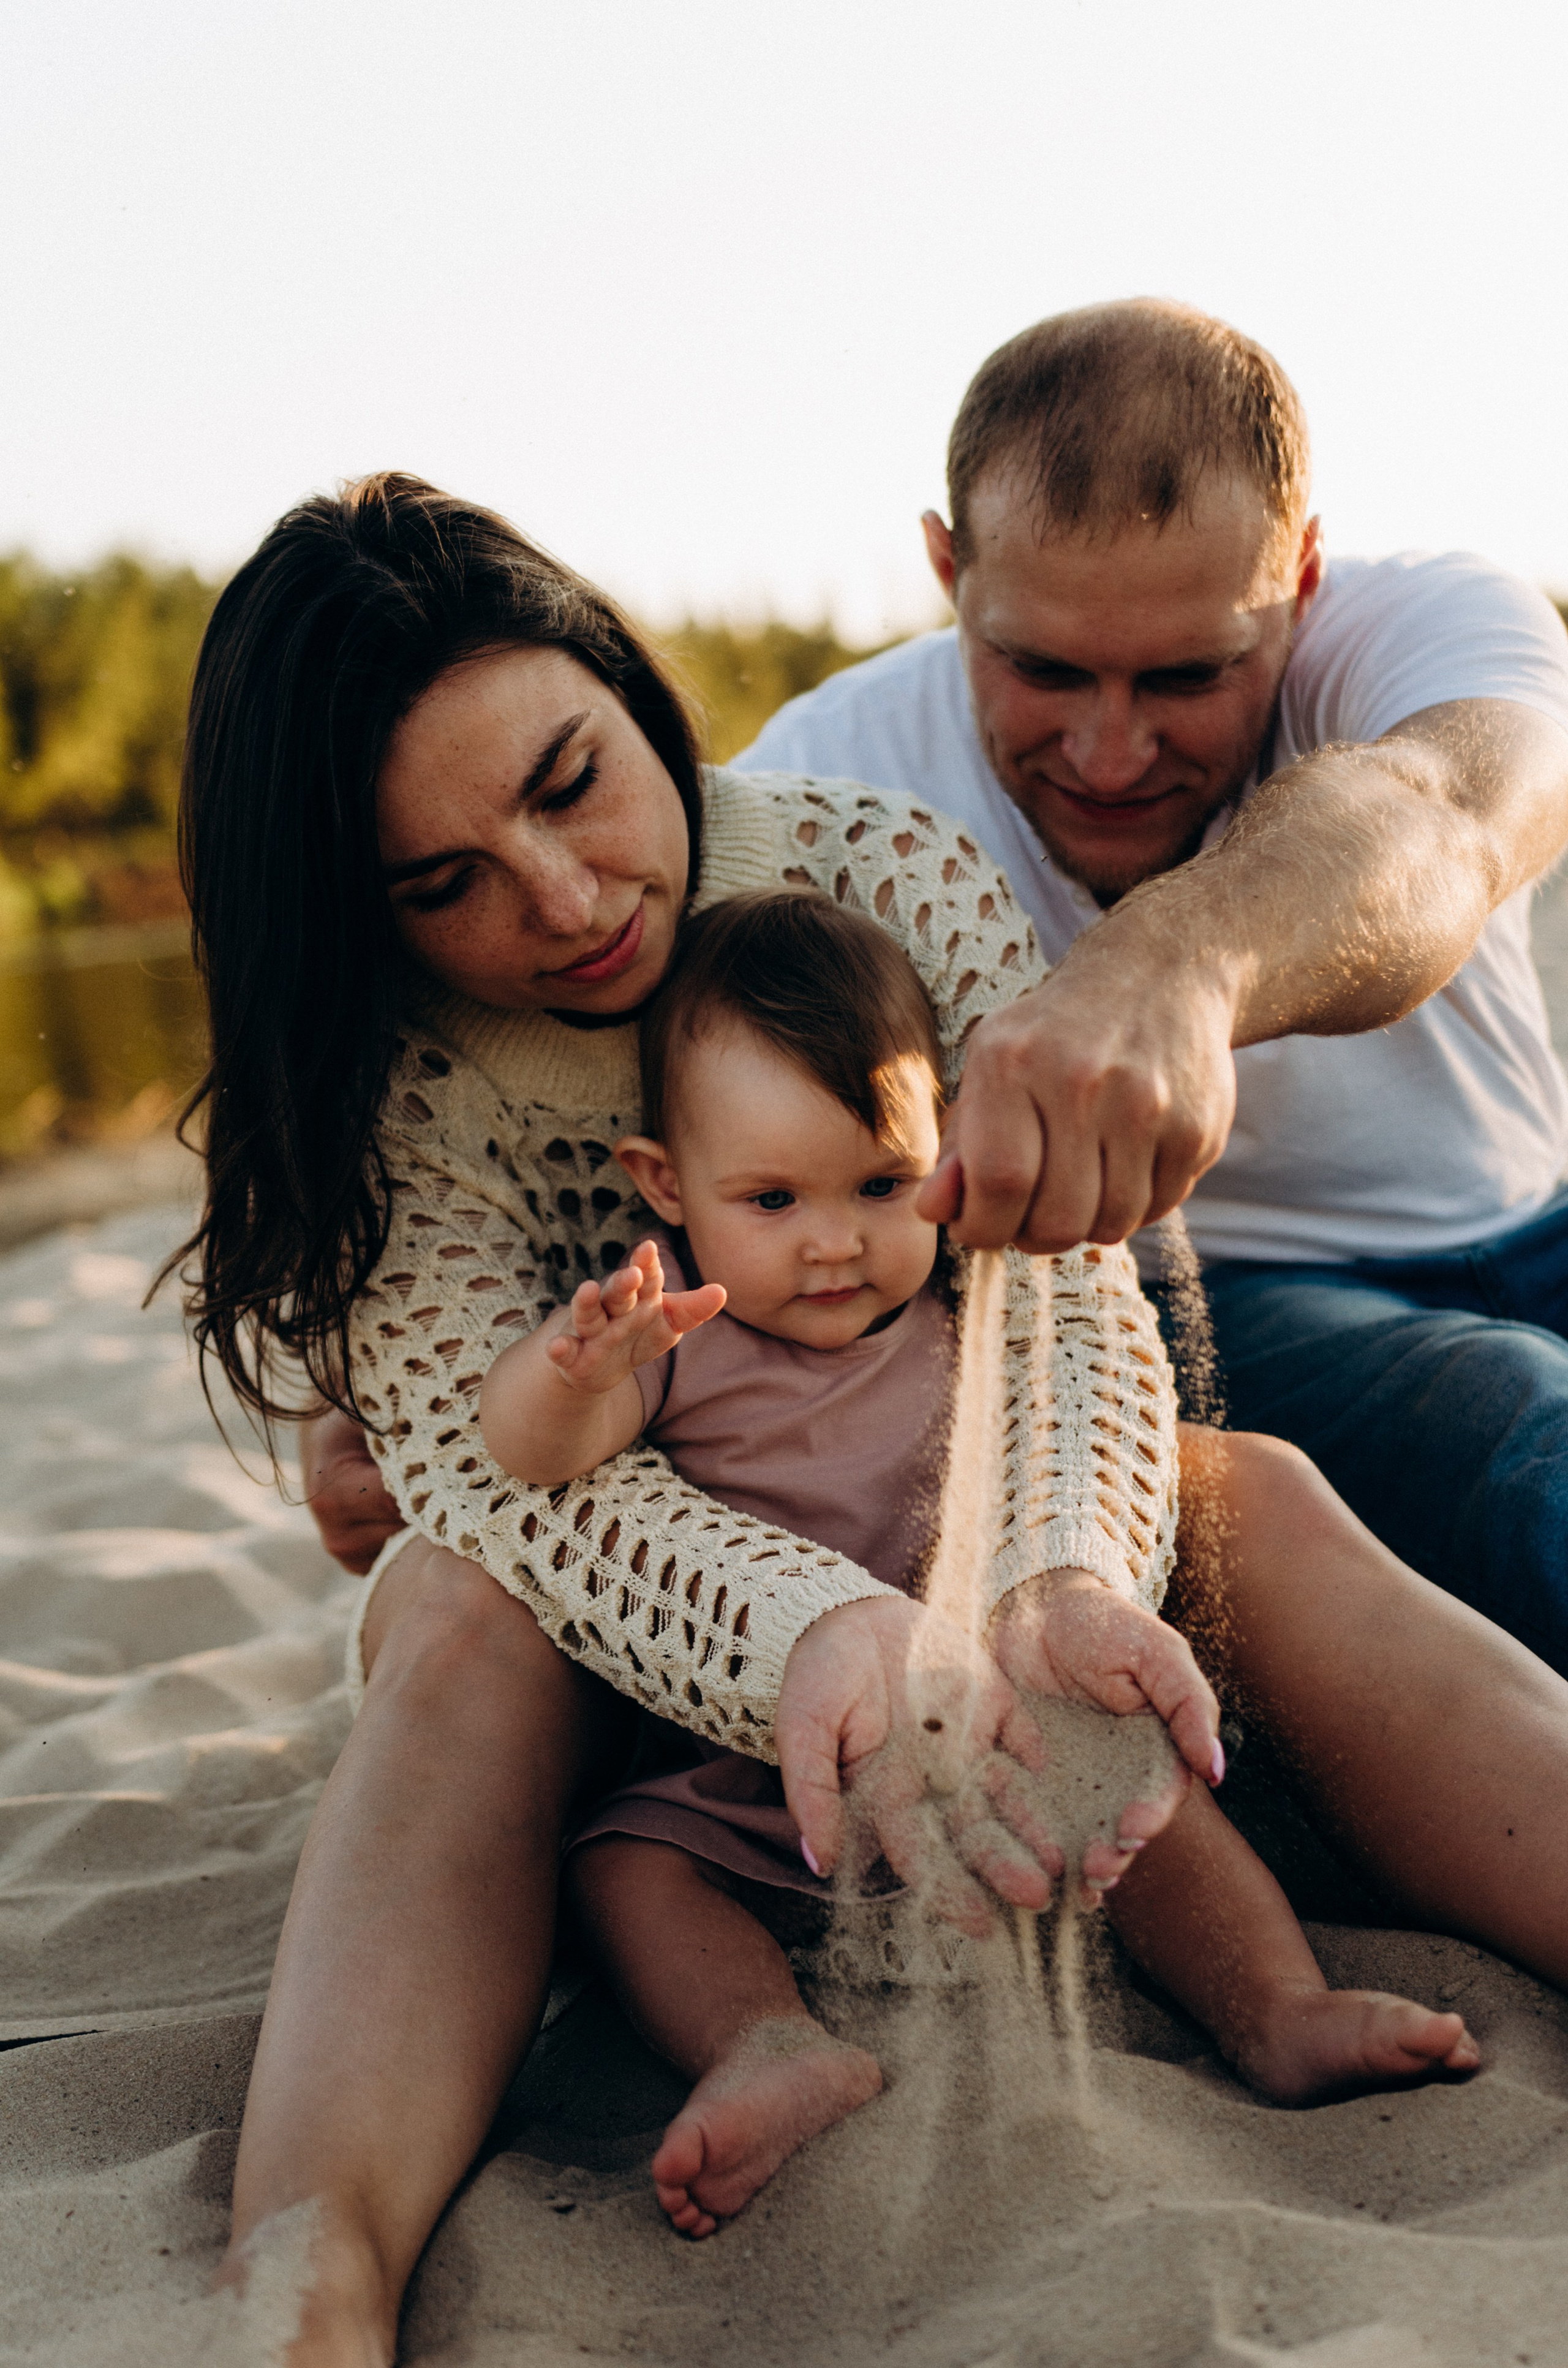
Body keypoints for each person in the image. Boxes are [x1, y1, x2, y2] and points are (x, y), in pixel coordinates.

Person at [184, 473, 1568, 2367]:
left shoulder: (877, 872)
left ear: (623, 685)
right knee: (450, 1608)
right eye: (445, 881)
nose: (567, 900)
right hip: (620, 1652)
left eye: (573, 781)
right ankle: (312, 2266)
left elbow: (1070, 1292)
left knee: (1266, 1492)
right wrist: (817, 1633)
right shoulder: (400, 1082)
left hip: (957, 1530)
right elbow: (492, 1491)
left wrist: (1060, 1570)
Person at [480, 890, 1479, 2237]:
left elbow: (1072, 1427)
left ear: (939, 1154)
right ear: (665, 1186)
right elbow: (535, 1455)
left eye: (878, 1186)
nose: (833, 1241)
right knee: (625, 1870)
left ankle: (1275, 2007)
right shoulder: (677, 1340)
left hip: (991, 1715)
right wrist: (571, 1372)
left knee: (1135, 1780)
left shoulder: (971, 1307)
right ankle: (768, 2043)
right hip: (763, 1762)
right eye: (770, 1198)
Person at [737, 298, 1568, 1672]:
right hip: (1241, 1299)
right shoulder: (817, 780)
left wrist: (1170, 962)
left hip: (1533, 1217)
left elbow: (1443, 818)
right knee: (1515, 1420)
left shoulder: (1433, 619)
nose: (1109, 752)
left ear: (1300, 578)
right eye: (1041, 668)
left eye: (1188, 674)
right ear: (947, 569)